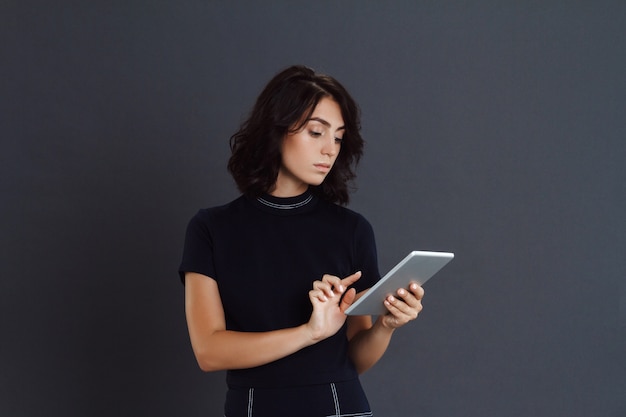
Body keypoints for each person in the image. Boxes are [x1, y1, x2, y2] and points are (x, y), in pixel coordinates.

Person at [179, 65, 425, 417]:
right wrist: (310, 331)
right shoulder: (211, 228)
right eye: (316, 132)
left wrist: (386, 325)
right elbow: (209, 352)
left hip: (342, 408)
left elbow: (355, 358)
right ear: (276, 130)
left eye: (338, 137)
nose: (330, 149)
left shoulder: (352, 229)